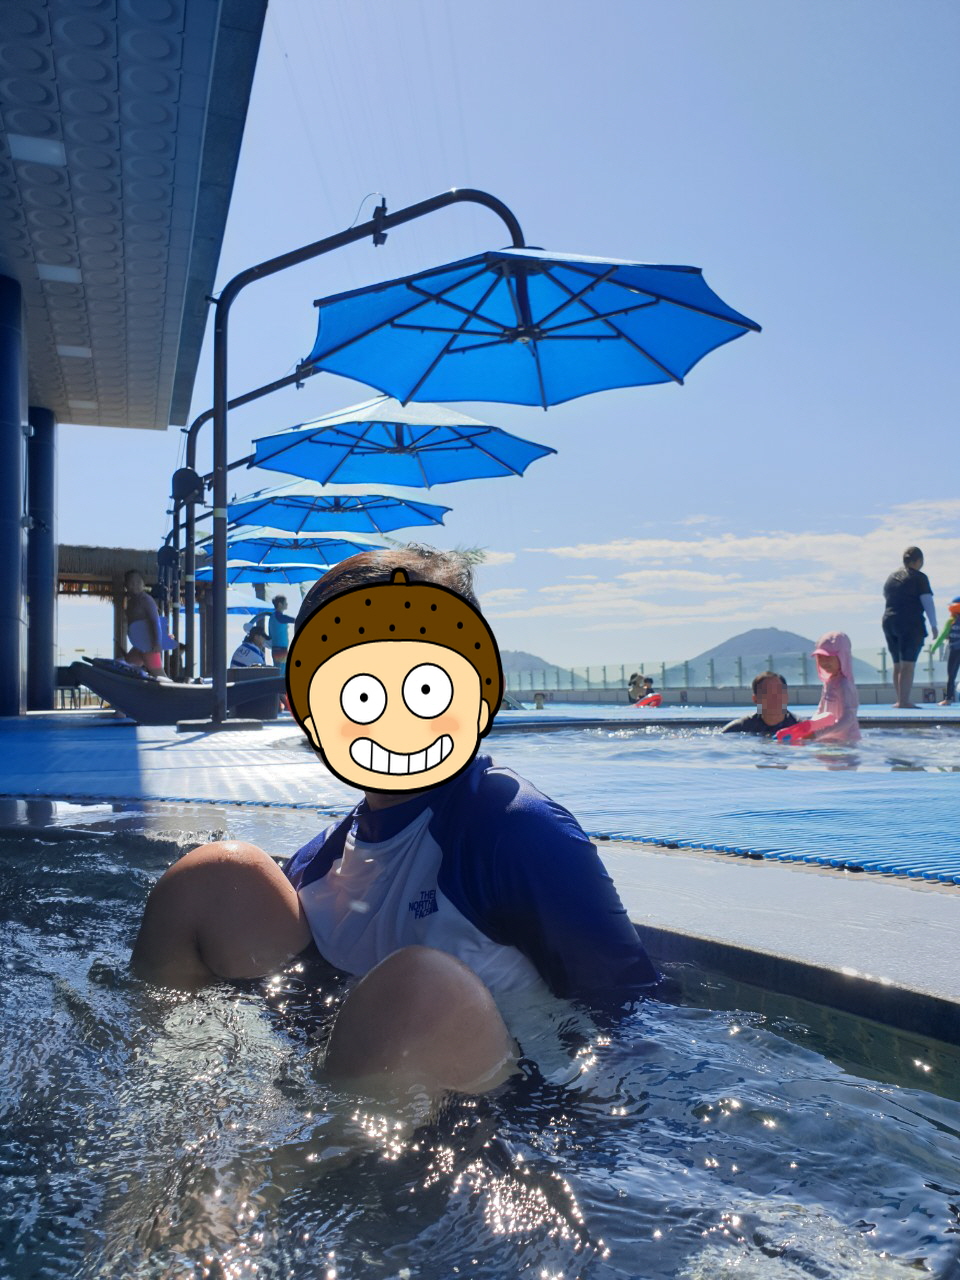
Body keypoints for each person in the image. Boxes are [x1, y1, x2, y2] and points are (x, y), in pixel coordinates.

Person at [131, 548, 658, 1097]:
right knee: (215, 877)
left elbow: (634, 1014)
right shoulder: (325, 858)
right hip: (323, 1078)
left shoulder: (517, 831)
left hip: (502, 1111)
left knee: (418, 987)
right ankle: (168, 1094)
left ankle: (293, 1151)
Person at [776, 632, 860, 745]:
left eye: (828, 657)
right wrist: (808, 727)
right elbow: (820, 710)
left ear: (842, 656)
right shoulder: (829, 682)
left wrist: (817, 734)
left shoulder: (845, 684)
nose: (824, 662)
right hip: (830, 739)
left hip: (848, 741)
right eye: (820, 657)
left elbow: (848, 719)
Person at [882, 546, 938, 709]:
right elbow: (927, 602)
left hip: (889, 621)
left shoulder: (891, 577)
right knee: (908, 664)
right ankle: (904, 701)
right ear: (919, 561)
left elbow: (887, 597)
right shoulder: (919, 578)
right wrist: (934, 625)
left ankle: (899, 699)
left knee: (897, 664)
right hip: (909, 623)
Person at [721, 672, 798, 736]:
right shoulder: (737, 729)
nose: (774, 698)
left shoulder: (800, 726)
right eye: (767, 693)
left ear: (787, 696)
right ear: (755, 699)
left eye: (779, 692)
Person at [124, 570, 163, 673]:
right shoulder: (131, 602)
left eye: (138, 582)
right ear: (126, 585)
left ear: (143, 584)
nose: (135, 585)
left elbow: (156, 621)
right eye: (131, 582)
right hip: (138, 646)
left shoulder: (146, 600)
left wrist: (157, 643)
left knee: (158, 674)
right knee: (126, 668)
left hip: (149, 645)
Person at [937, 596, 960, 705]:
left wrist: (934, 648)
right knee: (951, 675)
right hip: (954, 650)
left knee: (951, 675)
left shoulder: (951, 621)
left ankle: (948, 699)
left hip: (954, 650)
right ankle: (948, 698)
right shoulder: (951, 621)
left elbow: (943, 636)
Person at [267, 595, 297, 671]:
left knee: (280, 670)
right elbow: (293, 620)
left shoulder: (272, 617)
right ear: (280, 604)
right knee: (281, 672)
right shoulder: (279, 616)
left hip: (276, 648)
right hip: (280, 649)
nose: (287, 604)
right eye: (285, 602)